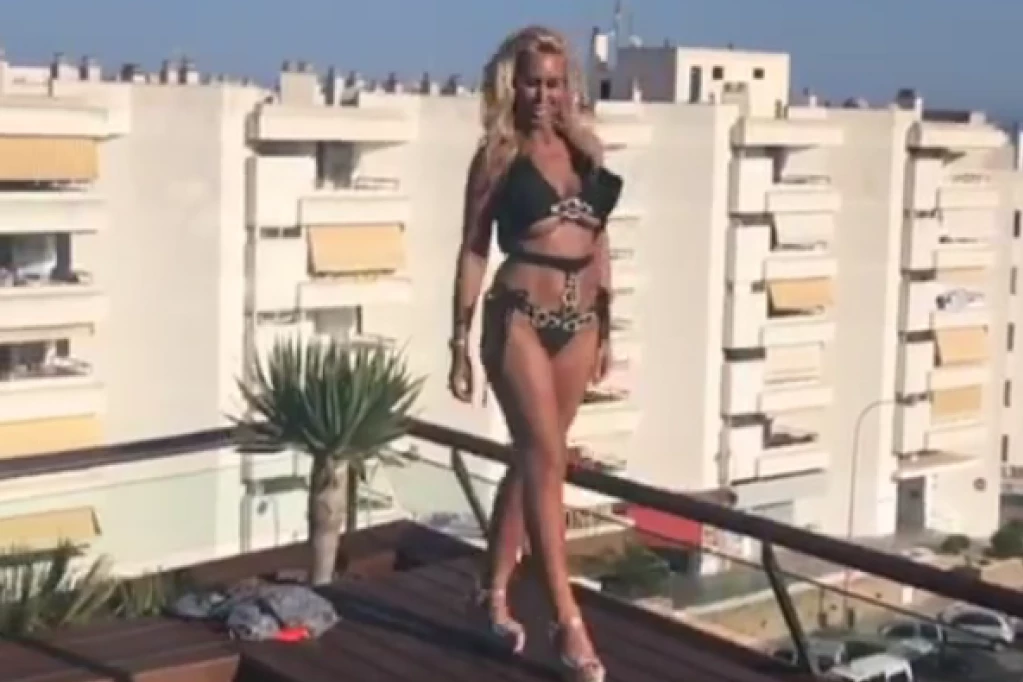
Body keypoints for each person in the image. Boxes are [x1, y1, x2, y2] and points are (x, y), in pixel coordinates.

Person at [446, 24, 623, 682]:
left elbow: (599, 242)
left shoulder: (584, 150)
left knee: (532, 461)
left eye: (552, 83)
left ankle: (490, 593)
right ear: (510, 86)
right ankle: (565, 621)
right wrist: (459, 341)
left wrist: (609, 324)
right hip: (518, 315)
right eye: (530, 83)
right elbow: (473, 249)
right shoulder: (497, 156)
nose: (543, 95)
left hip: (579, 323)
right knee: (547, 458)